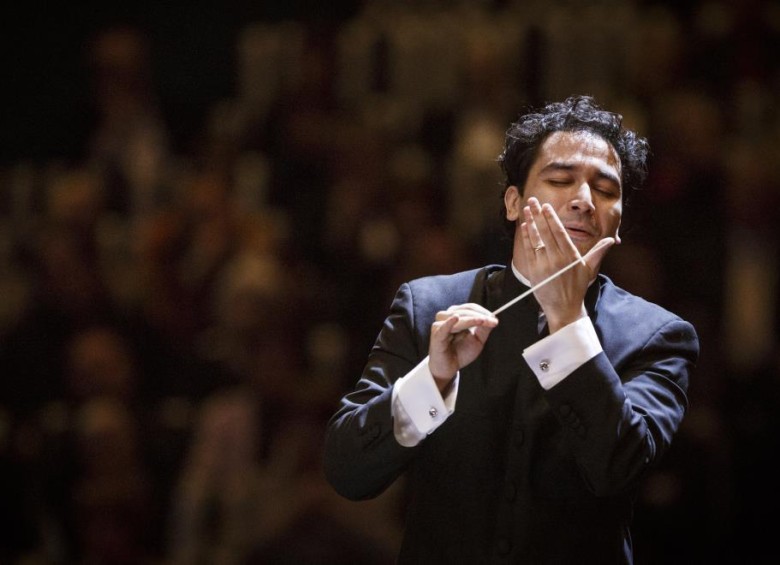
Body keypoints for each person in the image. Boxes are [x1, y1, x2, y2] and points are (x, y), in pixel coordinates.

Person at [323, 95, 699, 564]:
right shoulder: (428, 306)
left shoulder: (659, 336)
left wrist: (566, 321)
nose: (584, 200)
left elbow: (617, 469)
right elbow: (348, 471)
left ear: (618, 222)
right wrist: (432, 380)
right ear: (514, 202)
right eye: (561, 180)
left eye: (606, 190)